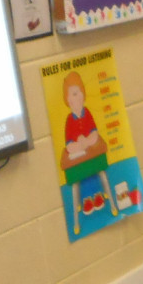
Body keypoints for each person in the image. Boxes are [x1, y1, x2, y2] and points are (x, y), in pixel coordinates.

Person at [59, 70, 117, 237]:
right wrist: (78, 145)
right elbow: (69, 146)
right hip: (78, 155)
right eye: (73, 94)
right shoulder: (69, 121)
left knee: (98, 170)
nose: (77, 98)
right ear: (67, 100)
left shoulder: (88, 113)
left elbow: (94, 135)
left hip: (91, 152)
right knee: (78, 177)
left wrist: (87, 142)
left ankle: (101, 196)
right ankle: (84, 201)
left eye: (79, 93)